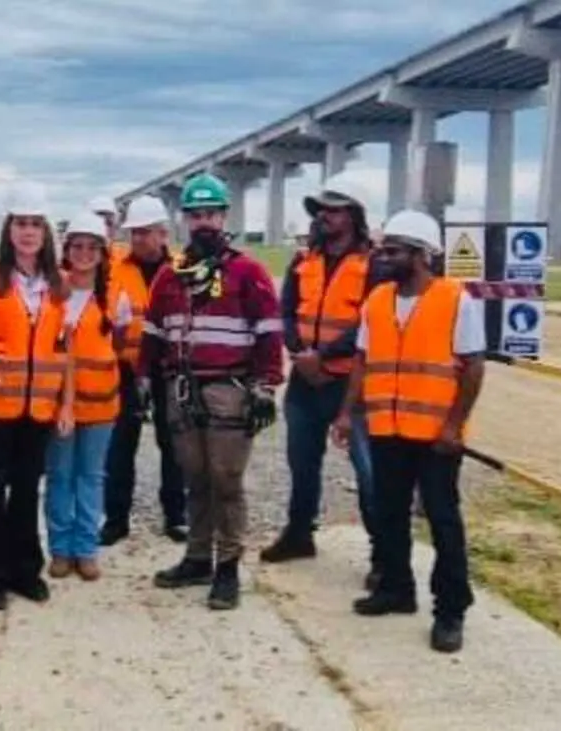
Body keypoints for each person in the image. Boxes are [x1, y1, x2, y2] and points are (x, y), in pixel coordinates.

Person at [332, 209, 484, 654]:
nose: (383, 257)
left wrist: (454, 425)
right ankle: (397, 589)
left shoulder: (457, 299)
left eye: (393, 251)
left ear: (420, 255)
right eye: (383, 249)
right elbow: (362, 360)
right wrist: (345, 413)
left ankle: (451, 609)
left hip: (437, 435)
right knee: (389, 513)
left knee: (442, 520)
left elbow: (473, 366)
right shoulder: (377, 300)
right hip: (386, 429)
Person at [140, 172, 283, 610]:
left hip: (229, 389)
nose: (203, 222)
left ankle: (228, 569)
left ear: (224, 216)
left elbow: (269, 333)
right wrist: (145, 378)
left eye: (210, 214)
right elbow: (152, 332)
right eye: (195, 215)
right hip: (182, 390)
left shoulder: (247, 272)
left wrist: (264, 386)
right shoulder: (170, 276)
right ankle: (198, 557)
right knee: (195, 478)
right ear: (185, 220)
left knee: (226, 481)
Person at [262, 174, 383, 589]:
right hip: (304, 380)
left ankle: (383, 554)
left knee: (368, 471)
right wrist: (299, 352)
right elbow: (288, 309)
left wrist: (325, 355)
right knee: (301, 461)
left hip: (351, 381)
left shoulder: (375, 265)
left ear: (354, 215)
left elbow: (371, 320)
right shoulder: (303, 261)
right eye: (322, 210)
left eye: (334, 209)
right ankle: (299, 534)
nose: (325, 216)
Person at [0, 181, 70, 611]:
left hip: (38, 409)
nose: (28, 232)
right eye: (21, 223)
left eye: (35, 224)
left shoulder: (58, 284)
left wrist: (64, 404)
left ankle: (24, 570)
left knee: (26, 490)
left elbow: (64, 348)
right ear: (9, 229)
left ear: (45, 232)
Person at [45, 211, 131, 581]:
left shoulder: (115, 296)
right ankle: (61, 549)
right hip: (58, 406)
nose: (83, 254)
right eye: (76, 246)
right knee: (60, 475)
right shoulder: (51, 292)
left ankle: (86, 549)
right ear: (66, 250)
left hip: (100, 406)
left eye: (91, 247)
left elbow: (121, 342)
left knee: (91, 476)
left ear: (102, 252)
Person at [101, 195, 187, 546]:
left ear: (163, 233)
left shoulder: (183, 268)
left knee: (173, 445)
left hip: (168, 369)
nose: (137, 239)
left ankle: (176, 516)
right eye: (134, 233)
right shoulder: (115, 269)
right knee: (120, 448)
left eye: (144, 232)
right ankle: (116, 520)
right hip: (126, 369)